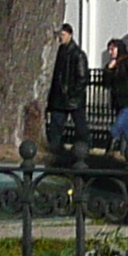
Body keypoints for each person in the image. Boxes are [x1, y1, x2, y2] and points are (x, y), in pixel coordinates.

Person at [45, 24, 89, 164]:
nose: (60, 38)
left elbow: (82, 78)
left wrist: (72, 94)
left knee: (81, 127)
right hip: (60, 99)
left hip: (72, 99)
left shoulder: (78, 54)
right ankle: (55, 152)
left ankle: (85, 150)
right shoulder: (59, 52)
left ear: (70, 34)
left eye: (63, 35)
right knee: (55, 127)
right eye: (60, 35)